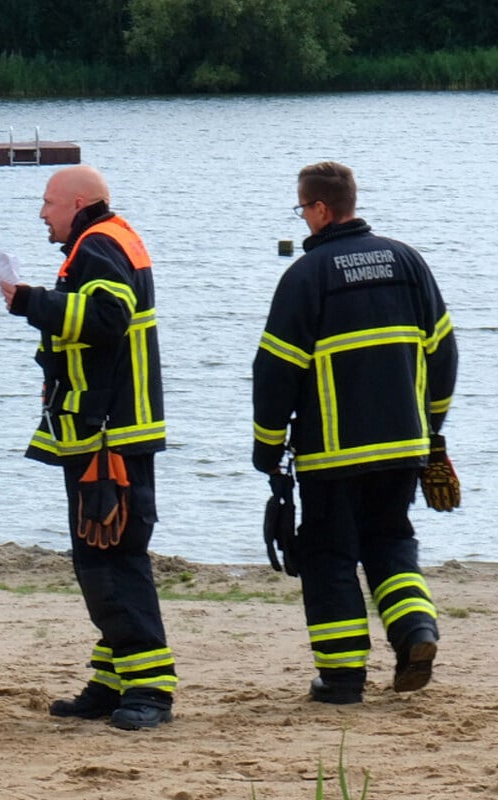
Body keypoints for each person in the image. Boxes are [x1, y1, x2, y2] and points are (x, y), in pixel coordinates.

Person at [253, 161, 458, 705]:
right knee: (391, 541)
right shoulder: (407, 262)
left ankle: (343, 679)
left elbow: (275, 371)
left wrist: (266, 446)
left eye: (302, 209)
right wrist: (432, 427)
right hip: (406, 446)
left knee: (328, 556)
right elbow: (443, 351)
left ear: (321, 210)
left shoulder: (306, 275)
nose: (302, 219)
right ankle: (417, 633)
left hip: (332, 454)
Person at [0, 165, 176, 731]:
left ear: (79, 203)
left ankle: (150, 688)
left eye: (49, 203)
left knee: (111, 560)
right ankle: (112, 679)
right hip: (110, 428)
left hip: (108, 436)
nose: (42, 213)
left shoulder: (98, 243)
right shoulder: (112, 237)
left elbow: (105, 318)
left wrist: (28, 301)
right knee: (102, 555)